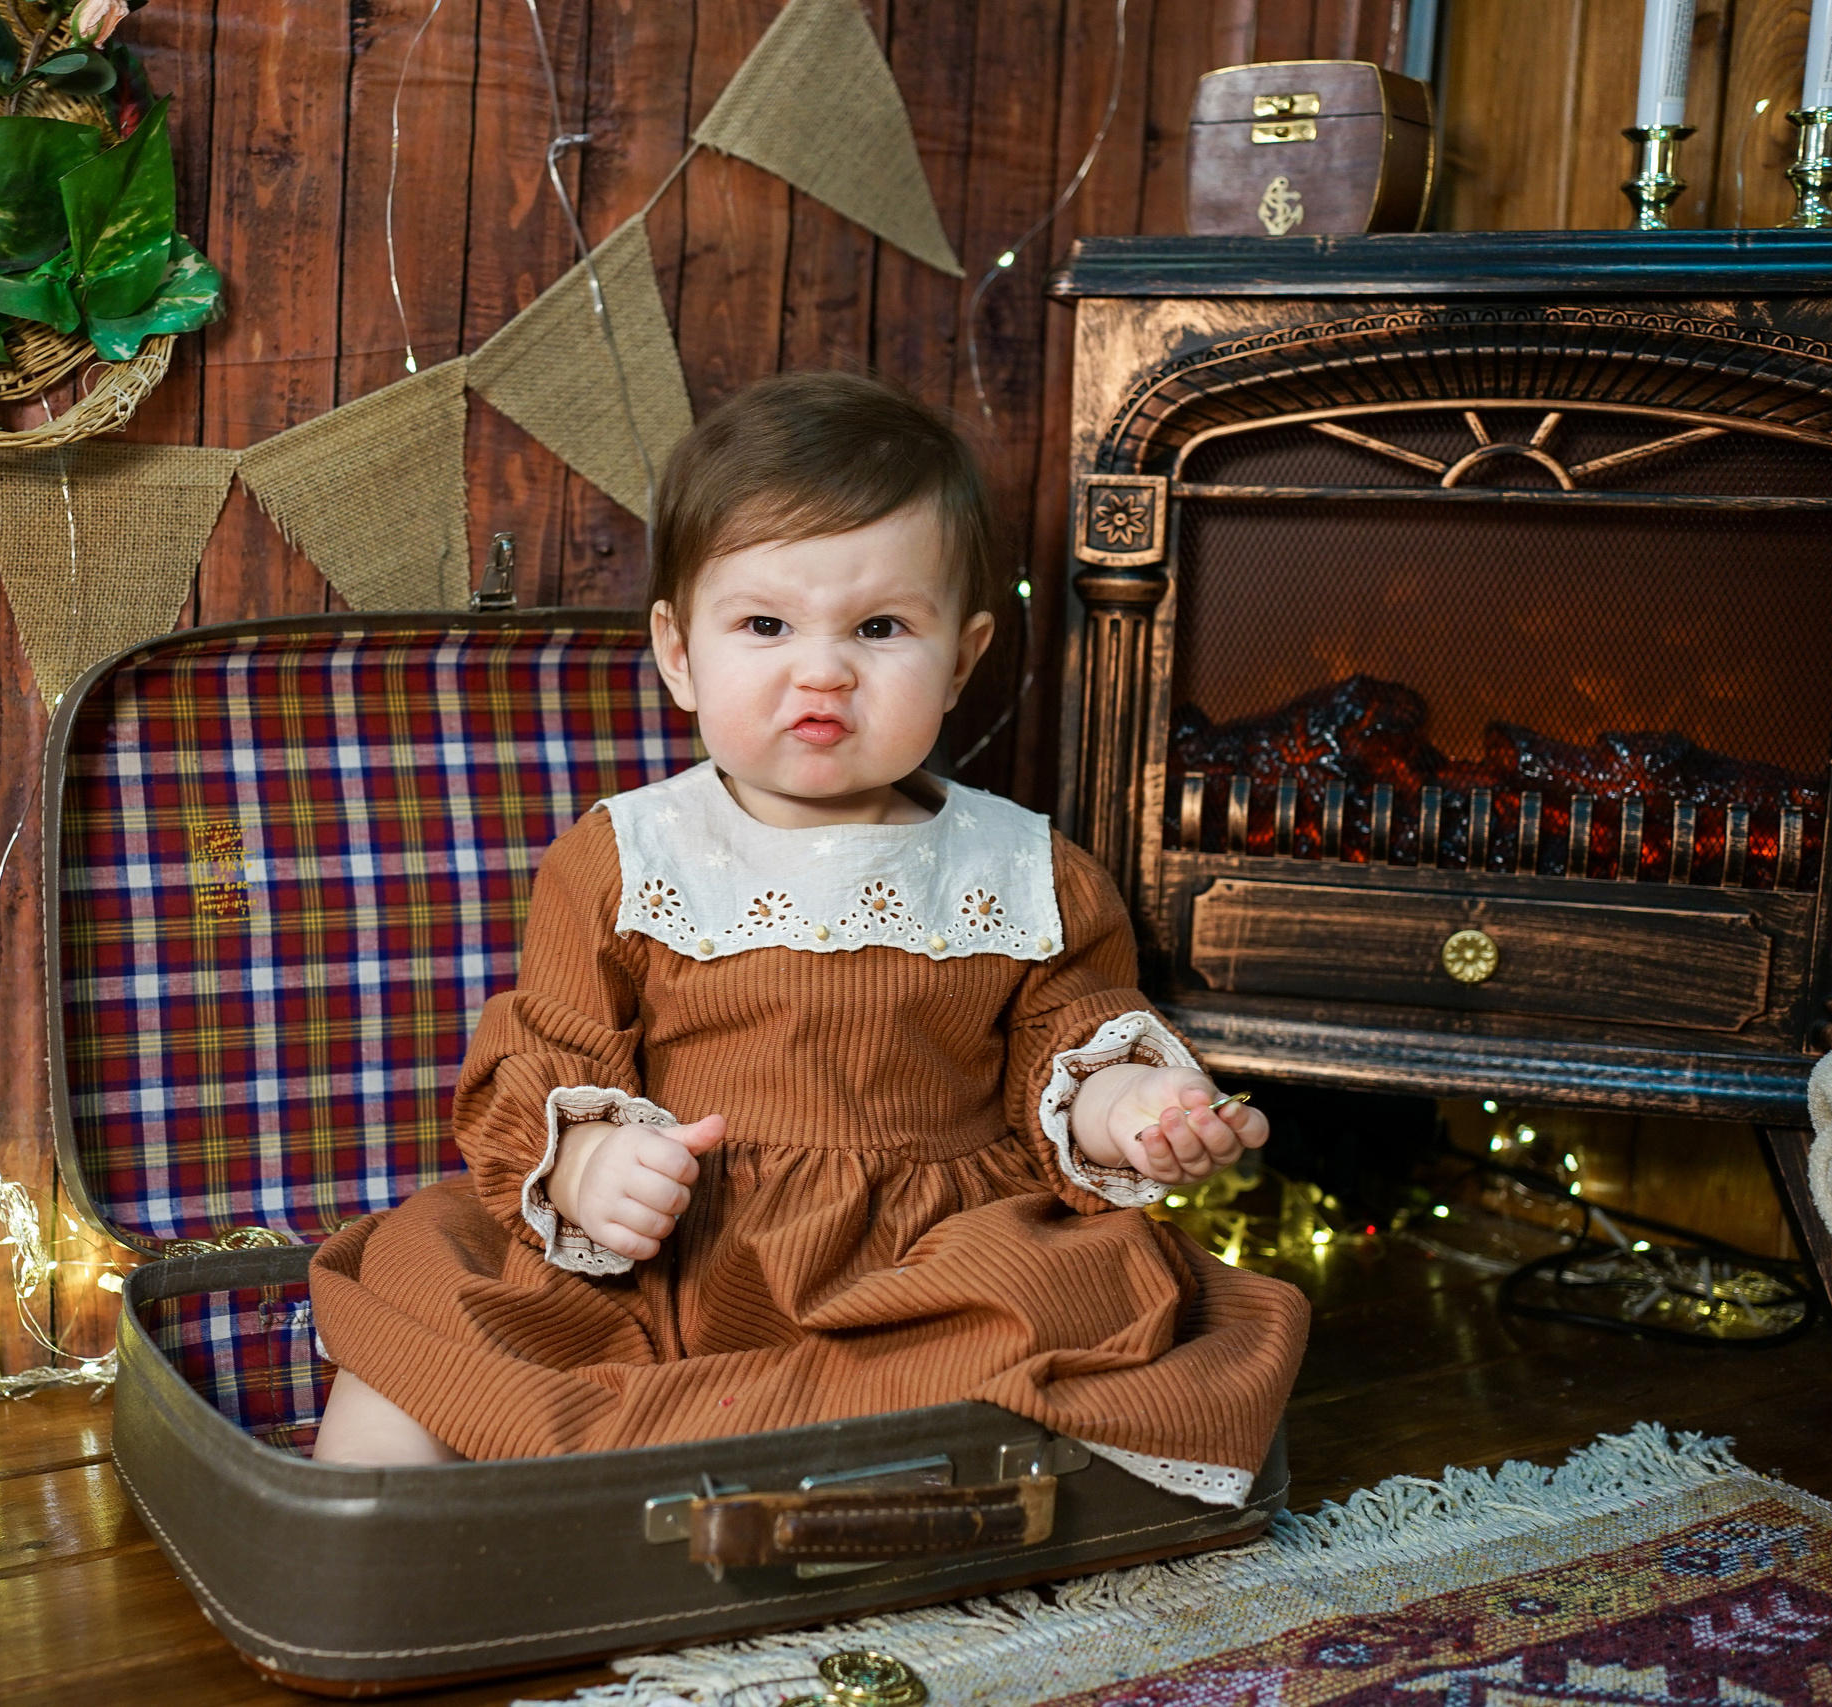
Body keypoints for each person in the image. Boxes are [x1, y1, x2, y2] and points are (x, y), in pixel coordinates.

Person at [306, 371, 1309, 1500]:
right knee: (425, 1280)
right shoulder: (628, 856)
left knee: (1099, 1289)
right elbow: (549, 1048)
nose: (821, 669)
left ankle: (849, 1475)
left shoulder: (1024, 868)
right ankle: (373, 1544)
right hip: (675, 1251)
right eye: (765, 626)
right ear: (680, 653)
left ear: (963, 659)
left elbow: (1069, 1034)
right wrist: (587, 1164)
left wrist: (1125, 1109)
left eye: (880, 628)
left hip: (916, 1274)